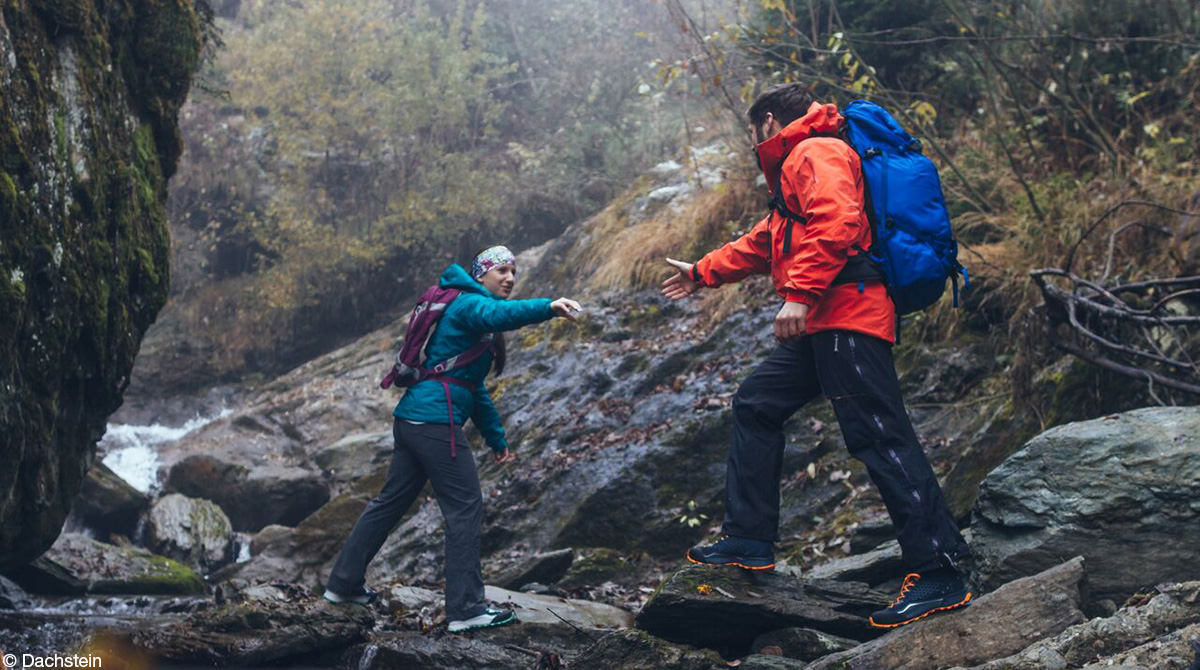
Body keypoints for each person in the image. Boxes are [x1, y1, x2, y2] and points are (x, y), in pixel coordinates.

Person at [660, 84, 973, 629]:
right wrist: (701, 271)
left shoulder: (815, 150)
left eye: (754, 130)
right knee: (757, 403)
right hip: (826, 324)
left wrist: (799, 295)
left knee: (880, 436)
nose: (754, 140)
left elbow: (839, 222)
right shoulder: (800, 165)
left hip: (848, 316)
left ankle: (941, 570)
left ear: (769, 123)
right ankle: (749, 539)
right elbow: (766, 241)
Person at [323, 245, 582, 633]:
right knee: (465, 506)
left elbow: (472, 387)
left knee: (389, 503)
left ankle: (343, 585)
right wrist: (547, 306)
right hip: (433, 423)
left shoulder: (466, 308)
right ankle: (465, 608)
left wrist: (496, 439)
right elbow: (502, 314)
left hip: (413, 420)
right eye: (501, 271)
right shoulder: (470, 305)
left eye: (514, 271)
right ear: (481, 275)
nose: (509, 278)